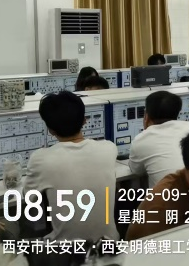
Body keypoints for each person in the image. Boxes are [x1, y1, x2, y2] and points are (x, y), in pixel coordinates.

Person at [23, 92, 119, 242]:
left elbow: (28, 197)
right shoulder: (109, 148)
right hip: (109, 245)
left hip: (66, 251)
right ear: (84, 121)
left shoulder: (40, 159)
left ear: (50, 130)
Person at [128, 91, 189, 188]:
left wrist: (146, 130)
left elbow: (136, 170)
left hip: (165, 197)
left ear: (146, 115)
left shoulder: (142, 139)